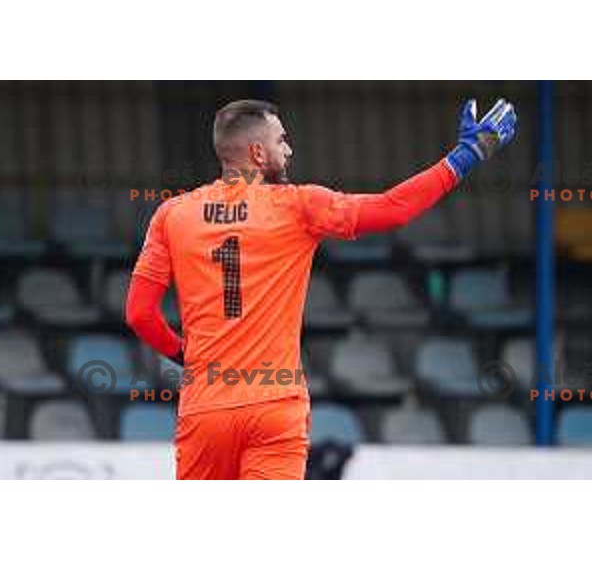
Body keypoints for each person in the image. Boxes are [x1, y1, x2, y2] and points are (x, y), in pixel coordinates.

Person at [125, 97, 517, 479]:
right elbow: (394, 208)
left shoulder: (172, 214)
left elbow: (139, 314)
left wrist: (184, 355)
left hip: (206, 407)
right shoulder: (299, 206)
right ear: (259, 153)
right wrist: (468, 154)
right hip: (274, 406)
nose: (289, 150)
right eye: (282, 141)